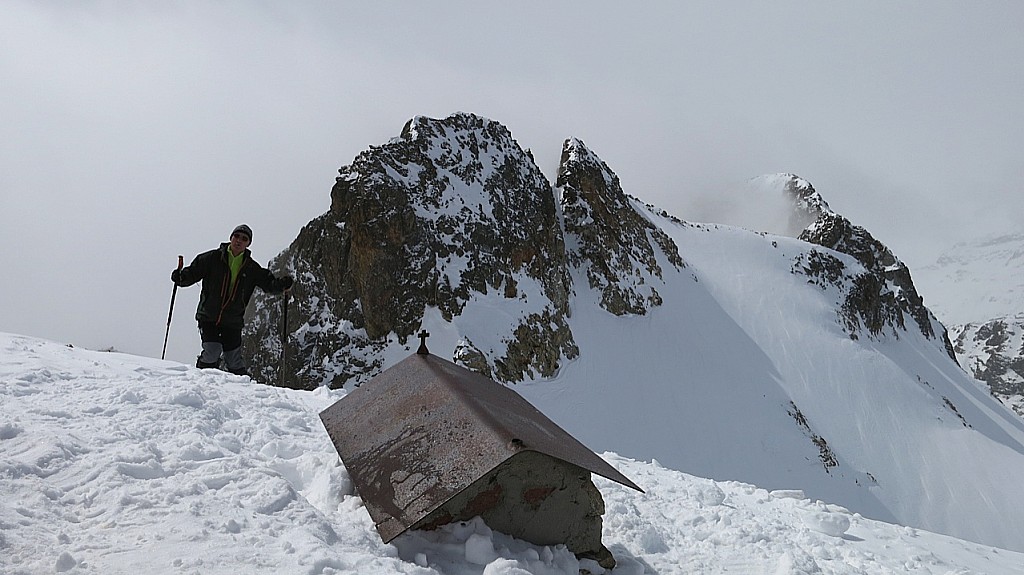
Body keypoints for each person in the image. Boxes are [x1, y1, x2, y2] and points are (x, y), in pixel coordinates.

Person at [171, 224, 293, 375]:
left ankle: (242, 388)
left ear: (248, 243)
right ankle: (200, 378)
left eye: (244, 238)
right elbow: (192, 273)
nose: (239, 240)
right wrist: (181, 277)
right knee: (212, 351)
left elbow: (269, 284)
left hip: (232, 321)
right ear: (231, 238)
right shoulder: (211, 258)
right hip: (209, 316)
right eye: (237, 236)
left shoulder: (252, 268)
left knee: (234, 361)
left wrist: (281, 285)